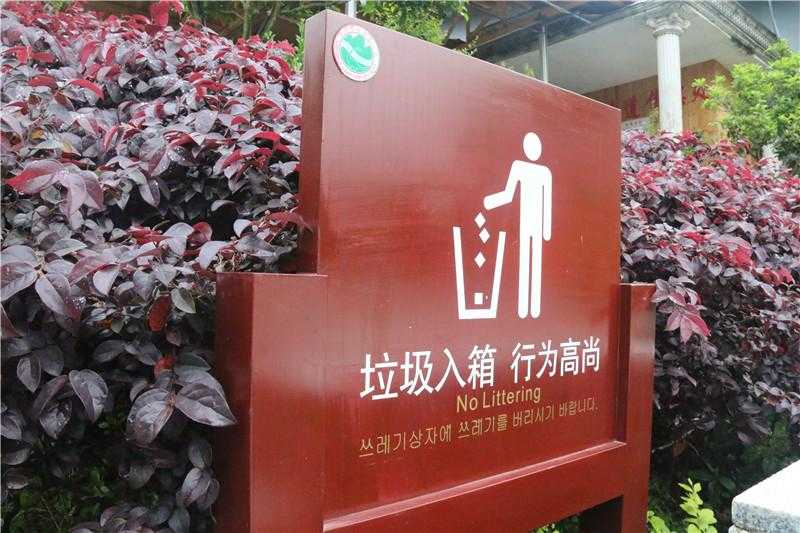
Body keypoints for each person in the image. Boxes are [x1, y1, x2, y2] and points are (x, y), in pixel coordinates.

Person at [483, 132, 552, 319]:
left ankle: (534, 307)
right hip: (524, 223)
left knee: (535, 262)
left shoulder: (545, 172)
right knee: (525, 261)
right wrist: (491, 201)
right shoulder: (519, 167)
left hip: (537, 224)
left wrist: (546, 229)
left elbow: (547, 201)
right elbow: (509, 193)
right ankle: (523, 308)